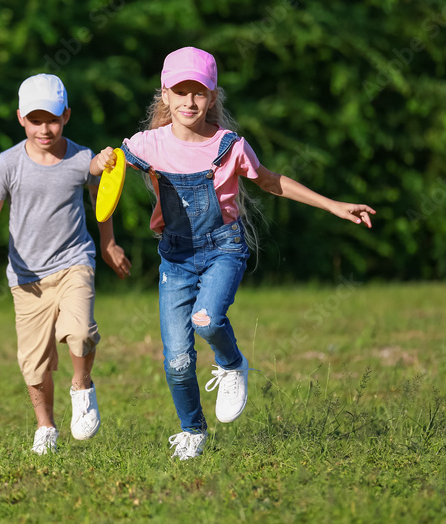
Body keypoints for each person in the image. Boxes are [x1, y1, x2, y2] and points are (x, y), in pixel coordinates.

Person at [90, 47, 375, 461]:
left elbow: (272, 181)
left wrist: (334, 205)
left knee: (206, 320)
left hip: (224, 248)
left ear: (213, 96)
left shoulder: (229, 145)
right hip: (175, 257)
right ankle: (192, 430)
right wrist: (101, 163)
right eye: (181, 92)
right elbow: (109, 170)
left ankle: (232, 363)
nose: (190, 101)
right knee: (177, 361)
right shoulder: (147, 145)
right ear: (165, 95)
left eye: (199, 92)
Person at [0, 73, 132, 455]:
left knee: (80, 332)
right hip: (26, 278)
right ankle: (45, 427)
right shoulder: (8, 163)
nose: (43, 128)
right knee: (34, 364)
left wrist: (109, 243)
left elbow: (103, 202)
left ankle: (82, 386)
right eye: (35, 119)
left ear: (66, 115)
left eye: (52, 118)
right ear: (20, 118)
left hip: (73, 262)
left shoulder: (81, 158)